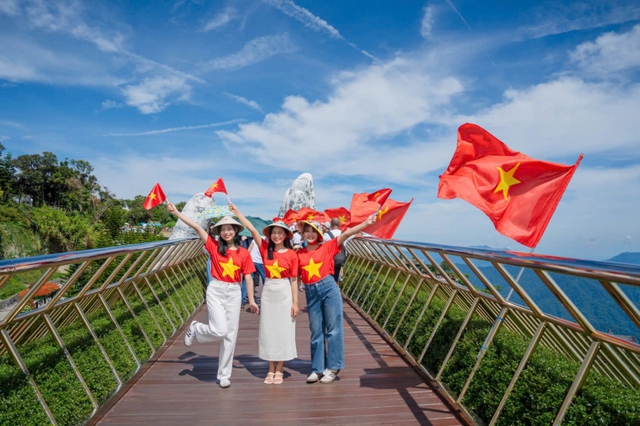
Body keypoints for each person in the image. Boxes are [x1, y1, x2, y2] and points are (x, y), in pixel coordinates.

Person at [167, 203, 257, 389]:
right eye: (223, 229)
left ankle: (224, 375)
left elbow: (248, 277)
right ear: (219, 232)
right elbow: (197, 227)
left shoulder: (243, 253)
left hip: (234, 292)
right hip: (216, 290)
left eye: (230, 229)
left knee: (230, 336)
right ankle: (197, 328)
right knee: (220, 331)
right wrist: (176, 212)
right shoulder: (214, 246)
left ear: (235, 231)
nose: (226, 232)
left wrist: (251, 301)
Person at [297, 214, 377, 384]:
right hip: (311, 291)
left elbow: (346, 234)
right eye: (307, 231)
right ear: (302, 234)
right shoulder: (299, 253)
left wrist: (365, 223)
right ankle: (317, 368)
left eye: (313, 231)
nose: (310, 234)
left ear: (319, 234)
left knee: (333, 328)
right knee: (316, 330)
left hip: (328, 288)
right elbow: (292, 276)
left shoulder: (328, 246)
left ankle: (333, 367)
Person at [230, 203, 299, 385]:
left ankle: (280, 368)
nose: (277, 235)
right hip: (268, 290)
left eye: (280, 233)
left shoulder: (292, 254)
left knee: (284, 329)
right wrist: (238, 212)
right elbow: (252, 229)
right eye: (274, 232)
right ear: (270, 234)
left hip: (284, 291)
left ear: (285, 235)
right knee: (268, 329)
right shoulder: (265, 248)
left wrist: (295, 303)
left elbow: (294, 280)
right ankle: (270, 368)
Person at [323, 217, 344, 283]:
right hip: (340, 259)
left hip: (329, 260)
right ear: (339, 225)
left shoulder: (326, 235)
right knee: (336, 276)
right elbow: (358, 235)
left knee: (328, 277)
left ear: (331, 225)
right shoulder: (344, 234)